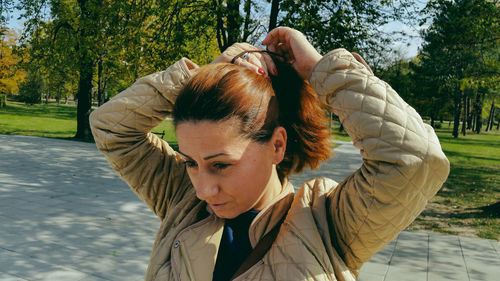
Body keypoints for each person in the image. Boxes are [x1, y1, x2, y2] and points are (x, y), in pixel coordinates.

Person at [90, 27, 450, 281]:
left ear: (277, 145)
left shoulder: (328, 222)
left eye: (220, 165)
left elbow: (415, 157)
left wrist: (318, 69)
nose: (203, 188)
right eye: (190, 163)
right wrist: (202, 77)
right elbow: (110, 128)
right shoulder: (181, 201)